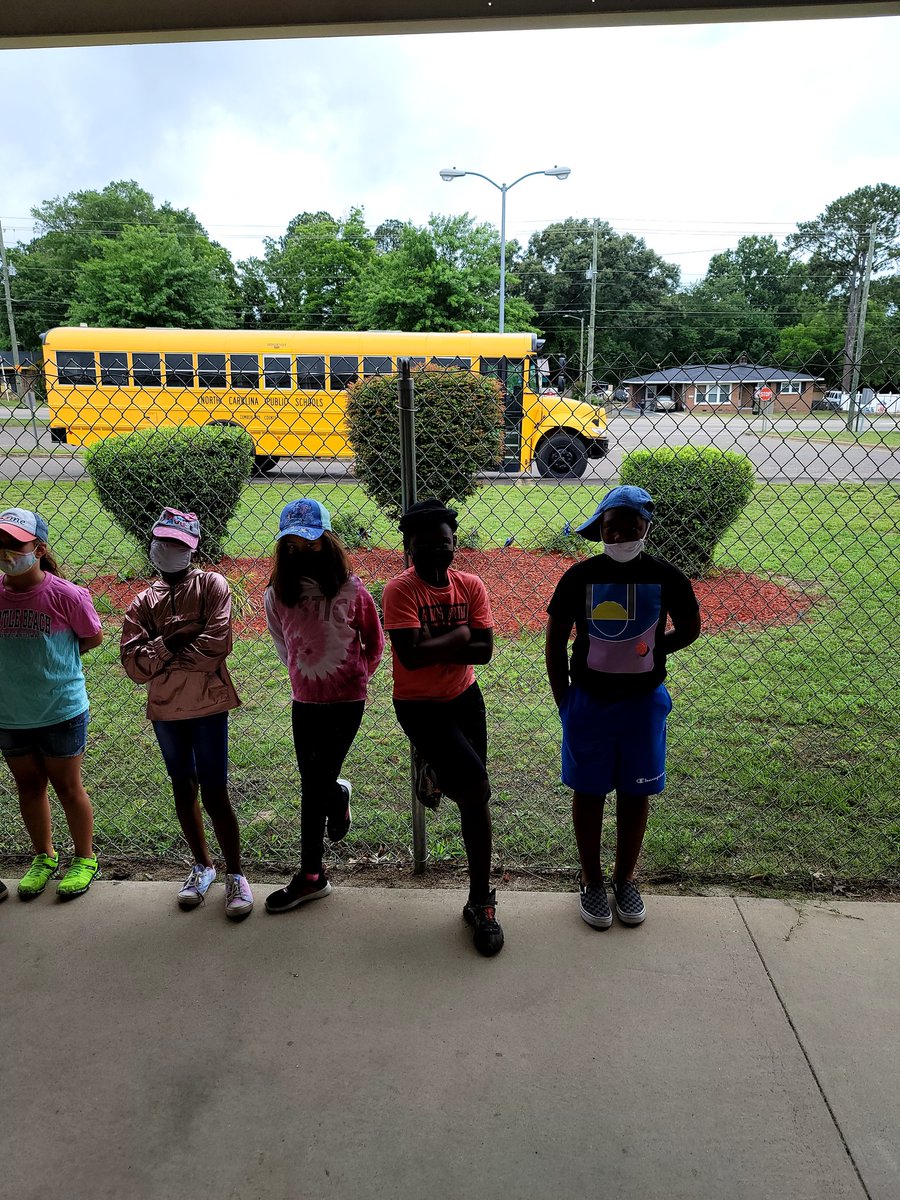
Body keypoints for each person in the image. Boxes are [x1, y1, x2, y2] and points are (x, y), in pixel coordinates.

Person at [544, 486, 700, 930]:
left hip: (643, 705)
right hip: (589, 703)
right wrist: (565, 701)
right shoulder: (580, 577)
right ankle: (591, 880)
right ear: (601, 531)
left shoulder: (667, 576)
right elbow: (555, 641)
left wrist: (655, 652)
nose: (623, 535)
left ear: (646, 527)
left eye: (632, 526)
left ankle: (624, 878)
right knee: (589, 791)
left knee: (637, 791)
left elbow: (691, 626)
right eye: (613, 527)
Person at [382, 499, 503, 957]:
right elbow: (409, 656)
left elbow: (484, 651)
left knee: (475, 794)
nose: (437, 552)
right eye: (425, 545)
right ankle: (483, 901)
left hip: (465, 698)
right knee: (475, 790)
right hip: (419, 706)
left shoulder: (471, 586)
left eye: (445, 544)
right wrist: (457, 637)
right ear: (409, 546)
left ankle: (477, 900)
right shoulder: (400, 590)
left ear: (456, 543)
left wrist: (440, 643)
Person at [120, 508, 253, 919]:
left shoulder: (213, 585)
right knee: (182, 785)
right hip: (166, 711)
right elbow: (132, 665)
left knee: (215, 790)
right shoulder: (143, 601)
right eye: (163, 542)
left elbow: (217, 644)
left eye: (178, 544)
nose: (168, 550)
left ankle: (235, 873)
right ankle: (202, 865)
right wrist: (172, 641)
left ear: (193, 549)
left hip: (209, 706)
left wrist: (159, 653)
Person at [263, 498, 383, 913]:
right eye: (291, 545)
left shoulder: (354, 590)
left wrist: (358, 675)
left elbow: (374, 640)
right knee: (313, 780)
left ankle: (312, 876)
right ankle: (337, 793)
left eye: (310, 544)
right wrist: (305, 672)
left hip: (347, 700)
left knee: (311, 787)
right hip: (305, 700)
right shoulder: (277, 594)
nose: (301, 552)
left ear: (328, 543)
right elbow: (284, 645)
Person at [0, 507, 103, 901]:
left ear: (39, 549)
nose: (7, 552)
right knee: (28, 785)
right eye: (1, 544)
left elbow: (91, 637)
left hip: (60, 710)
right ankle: (43, 856)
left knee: (67, 786)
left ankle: (84, 857)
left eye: (16, 545)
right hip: (10, 712)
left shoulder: (67, 595)